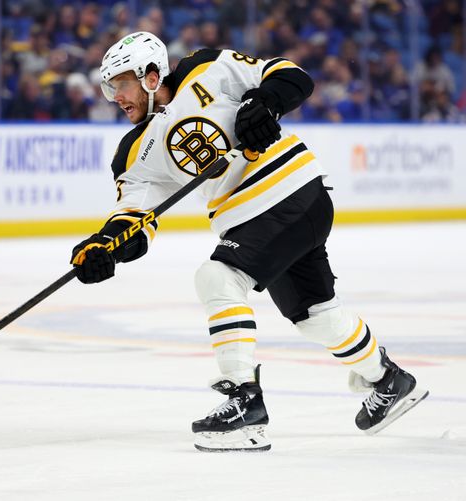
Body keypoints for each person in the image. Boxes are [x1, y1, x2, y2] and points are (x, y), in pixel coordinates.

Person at [70, 32, 428, 452]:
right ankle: (388, 379)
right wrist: (104, 247)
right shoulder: (132, 152)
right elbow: (133, 218)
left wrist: (266, 102)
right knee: (315, 317)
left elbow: (290, 75)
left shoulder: (206, 67)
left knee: (217, 278)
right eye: (109, 87)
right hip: (268, 218)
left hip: (289, 191)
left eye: (122, 83)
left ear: (152, 76)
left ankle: (244, 403)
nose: (115, 96)